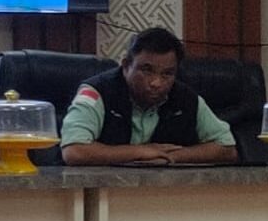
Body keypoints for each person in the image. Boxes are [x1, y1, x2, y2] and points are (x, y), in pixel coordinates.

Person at [60, 26, 237, 166]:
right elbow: (74, 151)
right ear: (126, 66)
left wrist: (172, 157)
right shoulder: (95, 92)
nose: (156, 83)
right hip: (100, 192)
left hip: (164, 194)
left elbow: (227, 148)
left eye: (167, 74)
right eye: (146, 70)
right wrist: (140, 152)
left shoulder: (186, 97)